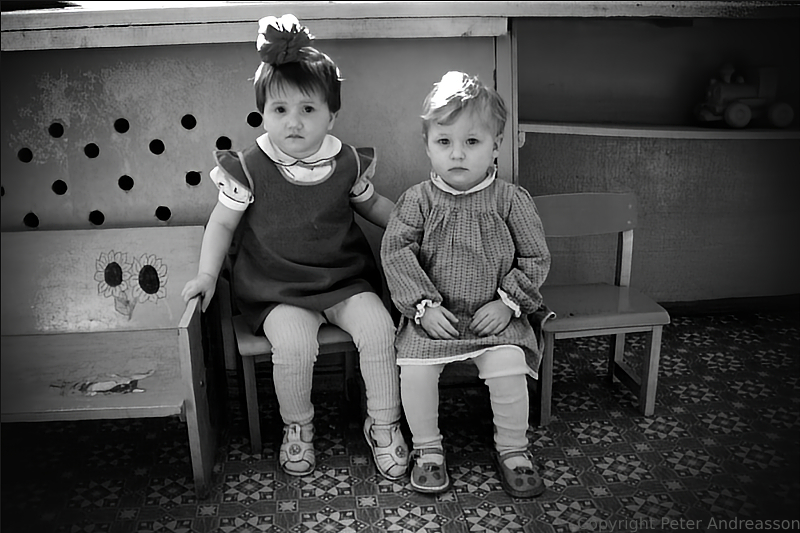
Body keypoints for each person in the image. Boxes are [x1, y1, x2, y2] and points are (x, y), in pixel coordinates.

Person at [181, 14, 408, 480]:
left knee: (380, 328)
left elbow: (374, 206)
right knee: (294, 344)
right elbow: (221, 223)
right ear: (263, 113)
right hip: (277, 287)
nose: (294, 122)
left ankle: (384, 424)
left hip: (343, 280)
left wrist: (412, 227)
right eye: (280, 110)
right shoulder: (248, 167)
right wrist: (206, 275)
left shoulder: (345, 161)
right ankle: (298, 428)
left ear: (331, 115)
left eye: (308, 110)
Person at [380, 71, 551, 497]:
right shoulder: (417, 201)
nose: (457, 154)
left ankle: (513, 449)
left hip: (495, 315)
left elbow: (535, 256)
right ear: (426, 145)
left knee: (509, 368)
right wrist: (422, 306)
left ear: (496, 144)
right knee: (415, 372)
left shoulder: (511, 200)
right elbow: (396, 253)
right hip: (433, 319)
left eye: (472, 142)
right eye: (444, 142)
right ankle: (428, 449)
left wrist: (509, 302)